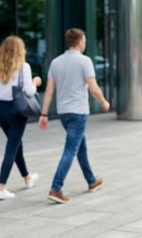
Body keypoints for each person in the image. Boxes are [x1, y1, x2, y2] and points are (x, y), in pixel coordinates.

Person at [38, 28, 109, 204]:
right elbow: (93, 87)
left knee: (79, 147)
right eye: (84, 40)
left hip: (63, 113)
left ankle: (91, 181)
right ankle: (56, 188)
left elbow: (49, 90)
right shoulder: (85, 61)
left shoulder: (55, 62)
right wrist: (103, 102)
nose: (85, 43)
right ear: (79, 42)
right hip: (78, 112)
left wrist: (44, 113)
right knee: (71, 149)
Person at [0, 36, 41, 200]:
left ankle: (27, 178)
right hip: (17, 111)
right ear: (19, 50)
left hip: (2, 111)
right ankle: (0, 187)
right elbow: (30, 92)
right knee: (12, 148)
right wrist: (36, 82)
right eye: (22, 48)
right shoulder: (24, 67)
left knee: (16, 146)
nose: (24, 50)